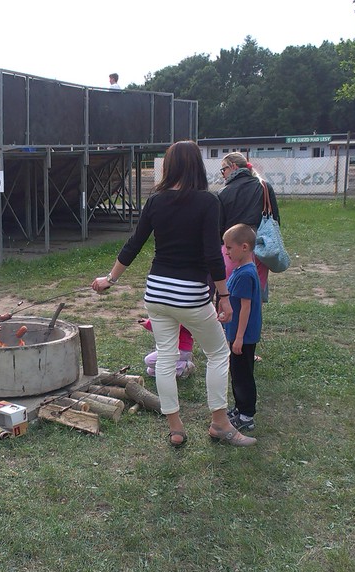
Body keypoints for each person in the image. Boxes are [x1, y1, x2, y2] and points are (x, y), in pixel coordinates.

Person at [91, 140, 255, 448]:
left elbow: (134, 244)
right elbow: (212, 253)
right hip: (190, 295)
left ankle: (176, 428)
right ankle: (220, 424)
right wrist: (224, 297)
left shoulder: (156, 200)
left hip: (156, 292)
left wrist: (109, 279)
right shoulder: (208, 202)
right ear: (196, 165)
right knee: (218, 353)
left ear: (170, 166)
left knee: (166, 358)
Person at [218, 152, 281, 295]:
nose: (223, 174)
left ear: (233, 166)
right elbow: (275, 218)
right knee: (256, 293)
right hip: (259, 245)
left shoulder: (223, 192)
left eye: (224, 169)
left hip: (232, 247)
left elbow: (219, 226)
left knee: (232, 292)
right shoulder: (264, 186)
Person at [222, 224, 263, 433]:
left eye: (229, 247)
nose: (226, 252)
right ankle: (239, 408)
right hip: (237, 333)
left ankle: (247, 416)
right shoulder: (241, 269)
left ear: (244, 247)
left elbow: (246, 308)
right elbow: (235, 303)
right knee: (237, 373)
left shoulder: (246, 274)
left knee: (243, 375)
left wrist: (238, 338)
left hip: (243, 336)